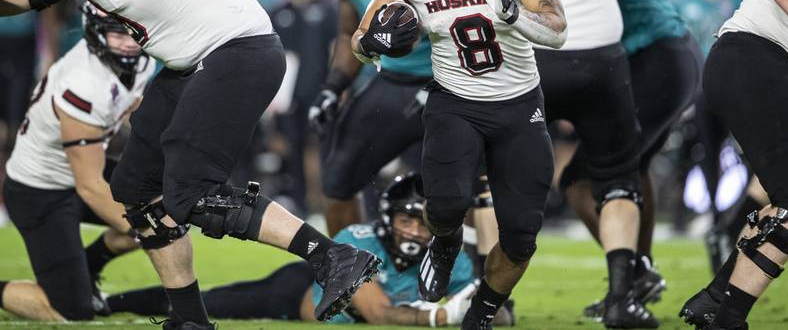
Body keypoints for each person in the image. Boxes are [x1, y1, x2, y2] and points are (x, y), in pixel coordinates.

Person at [0, 0, 378, 329]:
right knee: (136, 187)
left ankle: (331, 257)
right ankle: (189, 318)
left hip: (230, 52)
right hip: (204, 55)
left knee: (189, 193)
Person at [352, 0, 567, 330]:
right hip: (456, 102)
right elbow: (361, 42)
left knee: (521, 236)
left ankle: (483, 312)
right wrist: (375, 41)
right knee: (446, 206)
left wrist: (513, 12)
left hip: (518, 104)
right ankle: (446, 241)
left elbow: (557, 30)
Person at [483, 0, 657, 328]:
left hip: (540, 51)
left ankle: (495, 301)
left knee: (493, 172)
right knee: (620, 178)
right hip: (605, 52)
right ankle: (623, 297)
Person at [107, 173, 513, 326]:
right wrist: (446, 314)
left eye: (420, 222)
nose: (412, 231)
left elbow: (503, 317)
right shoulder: (360, 241)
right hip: (297, 292)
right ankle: (111, 302)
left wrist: (486, 308)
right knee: (213, 302)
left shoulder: (451, 258)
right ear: (387, 220)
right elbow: (378, 314)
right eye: (405, 220)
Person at [563, 0, 703, 320]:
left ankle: (635, 276)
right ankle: (641, 270)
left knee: (581, 180)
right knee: (633, 165)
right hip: (669, 54)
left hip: (652, 59)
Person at [679, 0, 788, 329]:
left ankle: (716, 297)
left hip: (756, 64)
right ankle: (726, 317)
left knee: (780, 194)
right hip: (757, 59)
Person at [0, 3, 153, 321]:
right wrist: (145, 228)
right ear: (97, 31)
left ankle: (88, 267)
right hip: (40, 191)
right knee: (70, 311)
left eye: (133, 31)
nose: (128, 41)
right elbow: (90, 186)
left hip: (78, 171)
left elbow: (131, 112)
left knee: (164, 208)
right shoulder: (82, 82)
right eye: (117, 32)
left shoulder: (142, 61)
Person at [308, 0, 431, 236]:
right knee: (338, 181)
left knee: (465, 186)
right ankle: (354, 275)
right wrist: (333, 86)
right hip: (392, 80)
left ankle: (469, 279)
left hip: (449, 80)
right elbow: (348, 31)